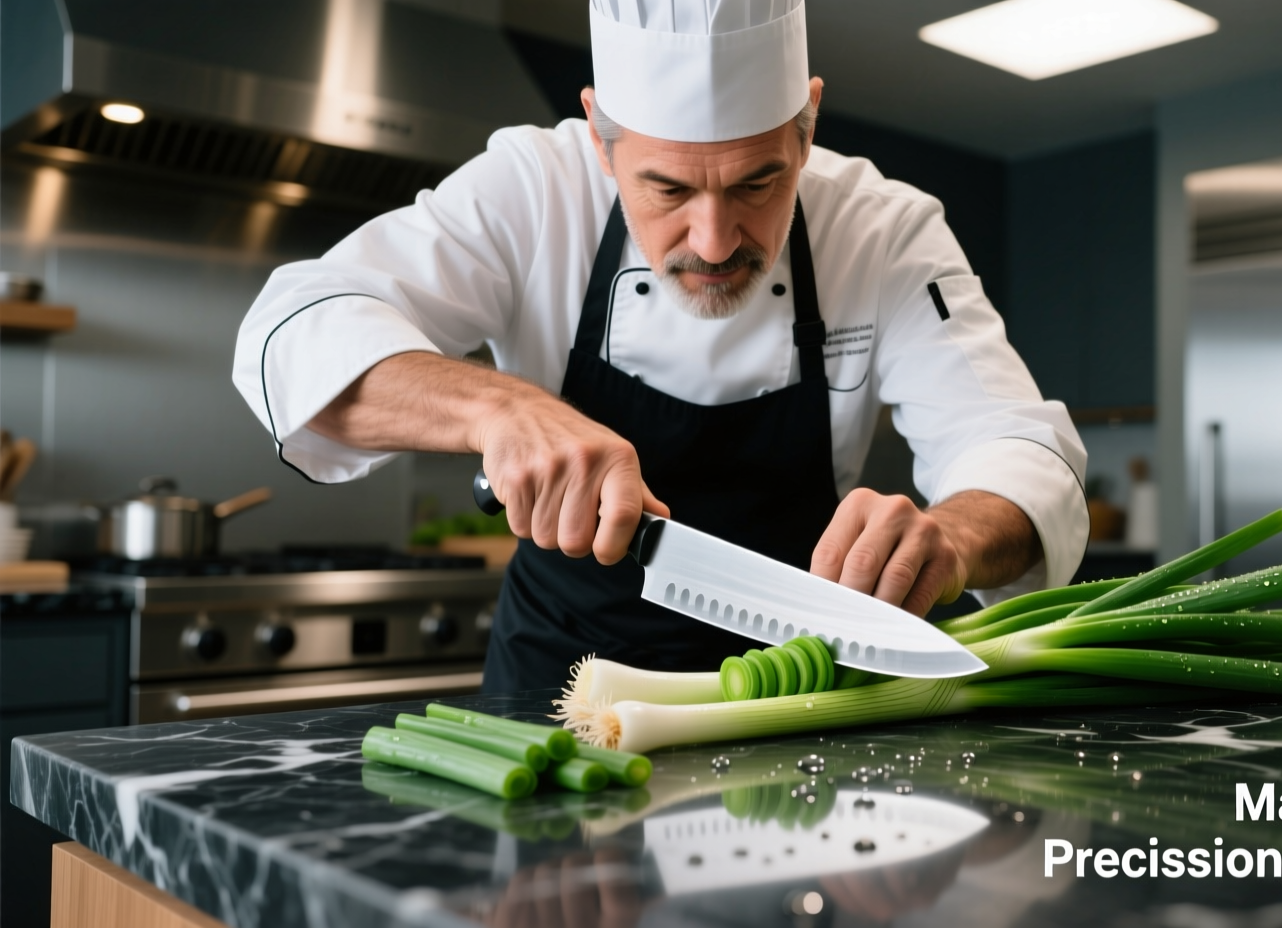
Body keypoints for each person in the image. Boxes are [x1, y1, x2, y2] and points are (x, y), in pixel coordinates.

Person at [233, 0, 1087, 692]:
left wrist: (952, 538)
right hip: (563, 680)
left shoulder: (885, 229)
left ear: (807, 128)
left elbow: (1015, 447)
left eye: (759, 182)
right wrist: (499, 407)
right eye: (668, 188)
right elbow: (295, 330)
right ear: (601, 137)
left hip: (794, 688)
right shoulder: (532, 190)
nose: (715, 242)